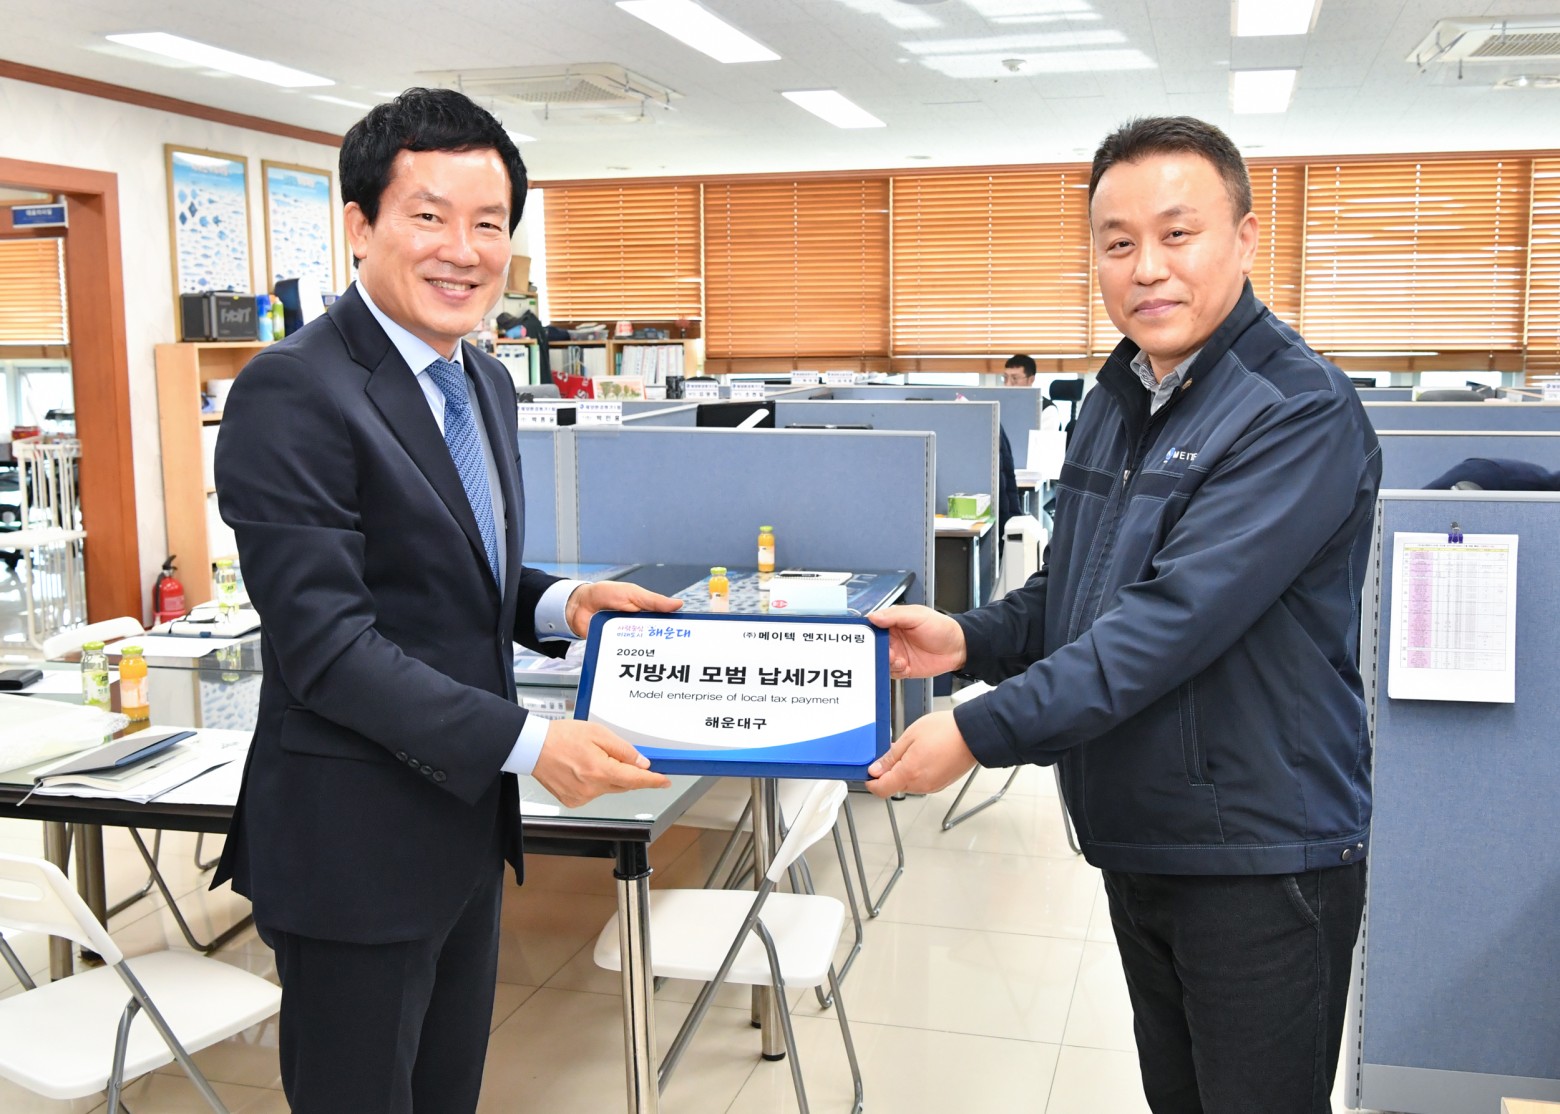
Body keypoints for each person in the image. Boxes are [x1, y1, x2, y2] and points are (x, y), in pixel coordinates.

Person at [866, 115, 1381, 1114]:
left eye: (1177, 234)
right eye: (1117, 242)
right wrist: (969, 638)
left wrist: (973, 732)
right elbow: (1077, 589)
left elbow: (1163, 628)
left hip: (1260, 856)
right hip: (1147, 837)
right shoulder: (1117, 395)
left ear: (1245, 237)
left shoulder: (1296, 411)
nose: (1147, 267)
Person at [213, 88, 680, 1114]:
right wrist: (532, 743)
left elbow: (448, 568)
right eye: (429, 216)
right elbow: (331, 649)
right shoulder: (293, 390)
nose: (463, 251)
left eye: (490, 224)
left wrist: (562, 603)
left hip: (462, 827)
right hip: (353, 846)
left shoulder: (480, 379)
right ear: (360, 226)